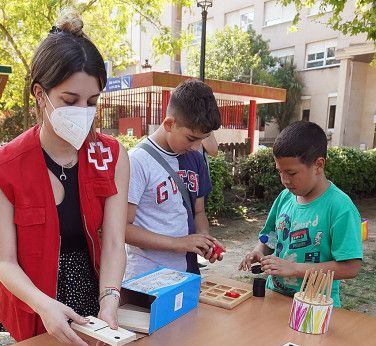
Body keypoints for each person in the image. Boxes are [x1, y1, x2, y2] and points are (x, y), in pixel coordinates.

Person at [0, 12, 129, 346]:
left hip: (90, 292)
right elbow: (5, 263)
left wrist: (109, 299)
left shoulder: (111, 156)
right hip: (31, 300)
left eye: (92, 102)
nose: (83, 111)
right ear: (40, 94)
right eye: (69, 100)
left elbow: (112, 242)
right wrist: (44, 305)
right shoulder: (3, 169)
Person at [238, 121, 363, 308]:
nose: (284, 180)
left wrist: (295, 269)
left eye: (291, 172)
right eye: (280, 172)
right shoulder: (285, 197)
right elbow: (270, 236)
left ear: (318, 165)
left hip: (315, 306)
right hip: (274, 297)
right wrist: (258, 251)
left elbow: (351, 267)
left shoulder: (340, 207)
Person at [126, 79, 222, 278]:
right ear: (169, 124)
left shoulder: (195, 159)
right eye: (191, 138)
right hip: (146, 278)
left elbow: (199, 211)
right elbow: (123, 229)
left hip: (186, 274)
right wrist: (178, 243)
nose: (196, 147)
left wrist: (204, 240)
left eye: (202, 140)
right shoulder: (137, 161)